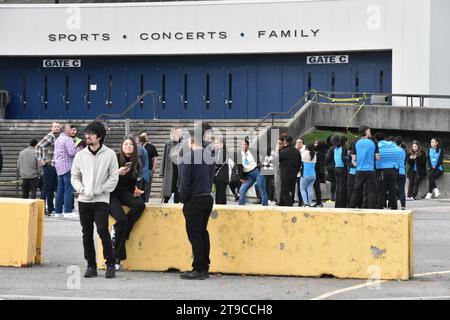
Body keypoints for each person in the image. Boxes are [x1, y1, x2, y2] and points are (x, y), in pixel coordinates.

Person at [71, 121, 119, 279]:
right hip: (84, 200)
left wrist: (102, 189)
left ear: (99, 136)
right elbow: (75, 177)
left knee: (102, 230)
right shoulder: (80, 155)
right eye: (87, 134)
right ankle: (91, 265)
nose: (87, 136)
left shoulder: (110, 154)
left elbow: (114, 176)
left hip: (101, 200)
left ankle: (110, 263)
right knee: (86, 233)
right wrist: (82, 190)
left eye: (91, 134)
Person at [179, 129, 215, 280]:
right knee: (202, 232)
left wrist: (183, 199)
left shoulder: (188, 157)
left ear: (191, 141)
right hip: (207, 197)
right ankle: (205, 267)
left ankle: (198, 268)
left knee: (195, 235)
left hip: (194, 199)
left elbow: (184, 182)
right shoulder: (210, 157)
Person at [110, 137, 146, 271]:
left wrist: (136, 190)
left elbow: (133, 183)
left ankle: (120, 232)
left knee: (140, 205)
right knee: (122, 219)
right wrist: (117, 173)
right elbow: (103, 176)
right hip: (110, 193)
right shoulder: (114, 157)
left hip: (124, 192)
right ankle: (116, 258)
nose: (128, 146)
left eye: (131, 144)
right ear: (121, 146)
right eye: (125, 144)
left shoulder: (136, 161)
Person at [349, 126, 379, 209]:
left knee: (357, 189)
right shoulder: (373, 142)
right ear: (365, 132)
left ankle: (352, 207)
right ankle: (371, 208)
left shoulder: (356, 142)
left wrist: (356, 163)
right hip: (370, 170)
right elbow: (377, 157)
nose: (370, 133)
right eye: (369, 131)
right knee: (371, 191)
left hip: (359, 170)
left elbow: (354, 159)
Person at [35, 122, 60, 215]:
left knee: (52, 188)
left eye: (58, 127)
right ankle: (41, 209)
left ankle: (50, 209)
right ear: (51, 128)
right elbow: (38, 146)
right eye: (55, 127)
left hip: (55, 165)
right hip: (49, 165)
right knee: (46, 187)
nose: (57, 128)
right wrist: (41, 159)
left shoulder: (58, 137)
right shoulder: (50, 136)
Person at [54, 123, 78, 218]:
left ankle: (58, 211)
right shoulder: (67, 139)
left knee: (60, 189)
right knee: (68, 188)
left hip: (59, 166)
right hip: (68, 166)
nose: (71, 130)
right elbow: (72, 153)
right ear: (65, 130)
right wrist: (78, 149)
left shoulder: (59, 139)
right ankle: (68, 211)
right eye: (69, 128)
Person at [237, 137, 268, 206]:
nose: (243, 146)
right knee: (242, 190)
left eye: (245, 144)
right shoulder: (239, 154)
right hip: (248, 175)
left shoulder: (253, 150)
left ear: (247, 145)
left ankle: (265, 206)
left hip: (257, 172)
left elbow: (264, 153)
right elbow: (239, 167)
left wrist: (262, 162)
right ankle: (241, 207)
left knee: (262, 190)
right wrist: (241, 177)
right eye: (242, 145)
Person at [376, 136, 403, 210]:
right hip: (393, 171)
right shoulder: (397, 149)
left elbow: (376, 158)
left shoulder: (379, 147)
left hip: (382, 171)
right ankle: (394, 207)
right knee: (392, 191)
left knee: (381, 191)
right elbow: (399, 159)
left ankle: (379, 207)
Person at [160, 127, 183, 203]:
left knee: (178, 190)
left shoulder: (183, 144)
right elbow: (164, 158)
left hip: (180, 170)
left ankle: (177, 205)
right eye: (179, 132)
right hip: (170, 170)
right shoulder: (168, 144)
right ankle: (164, 205)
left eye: (181, 132)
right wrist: (162, 172)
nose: (181, 134)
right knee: (168, 191)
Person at [279, 136, 301, 207]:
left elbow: (276, 161)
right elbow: (299, 163)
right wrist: (296, 171)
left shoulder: (283, 151)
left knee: (285, 190)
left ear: (285, 142)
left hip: (285, 174)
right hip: (294, 174)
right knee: (292, 190)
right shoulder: (297, 151)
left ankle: (289, 205)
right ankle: (281, 203)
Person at [139, 131, 159, 202]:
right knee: (139, 187)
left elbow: (156, 158)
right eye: (142, 136)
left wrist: (153, 169)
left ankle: (146, 202)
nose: (143, 137)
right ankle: (139, 201)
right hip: (139, 172)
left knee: (147, 187)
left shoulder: (151, 147)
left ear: (147, 137)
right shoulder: (138, 147)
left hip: (148, 171)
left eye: (145, 136)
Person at [332, 136, 348, 208]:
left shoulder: (335, 148)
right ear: (344, 142)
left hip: (336, 168)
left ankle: (337, 204)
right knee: (342, 187)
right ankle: (341, 204)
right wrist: (348, 158)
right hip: (342, 168)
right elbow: (343, 158)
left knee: (338, 187)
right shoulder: (344, 148)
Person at [213, 137, 229, 205]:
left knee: (220, 196)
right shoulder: (218, 152)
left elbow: (218, 163)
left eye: (217, 143)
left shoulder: (222, 151)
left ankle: (221, 210)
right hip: (218, 177)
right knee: (219, 195)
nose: (215, 145)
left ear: (222, 144)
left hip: (221, 177)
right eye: (215, 143)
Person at [312, 140, 327, 207]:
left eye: (316, 143)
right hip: (318, 172)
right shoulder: (321, 152)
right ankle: (319, 202)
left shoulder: (319, 153)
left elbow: (319, 163)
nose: (315, 144)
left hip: (317, 172)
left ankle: (319, 202)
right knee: (317, 188)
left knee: (317, 188)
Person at [136, 135, 150, 202]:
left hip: (142, 176)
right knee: (143, 195)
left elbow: (141, 164)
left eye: (136, 142)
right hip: (144, 175)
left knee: (141, 195)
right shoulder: (143, 149)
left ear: (140, 143)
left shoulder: (140, 150)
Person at [395, 137, 407, 210]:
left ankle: (391, 205)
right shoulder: (403, 150)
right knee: (402, 190)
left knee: (392, 189)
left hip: (395, 170)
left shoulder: (394, 150)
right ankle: (403, 206)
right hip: (402, 172)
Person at [325, 135, 339, 202]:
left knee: (333, 182)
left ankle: (332, 196)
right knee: (337, 182)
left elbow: (327, 158)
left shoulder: (331, 149)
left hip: (331, 168)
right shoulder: (340, 147)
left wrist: (326, 164)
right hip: (338, 167)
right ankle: (337, 196)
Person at [295, 138, 306, 206]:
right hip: (294, 172)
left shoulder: (305, 152)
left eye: (300, 142)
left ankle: (301, 201)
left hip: (302, 172)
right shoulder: (294, 150)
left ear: (303, 143)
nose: (298, 143)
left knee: (300, 188)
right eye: (297, 142)